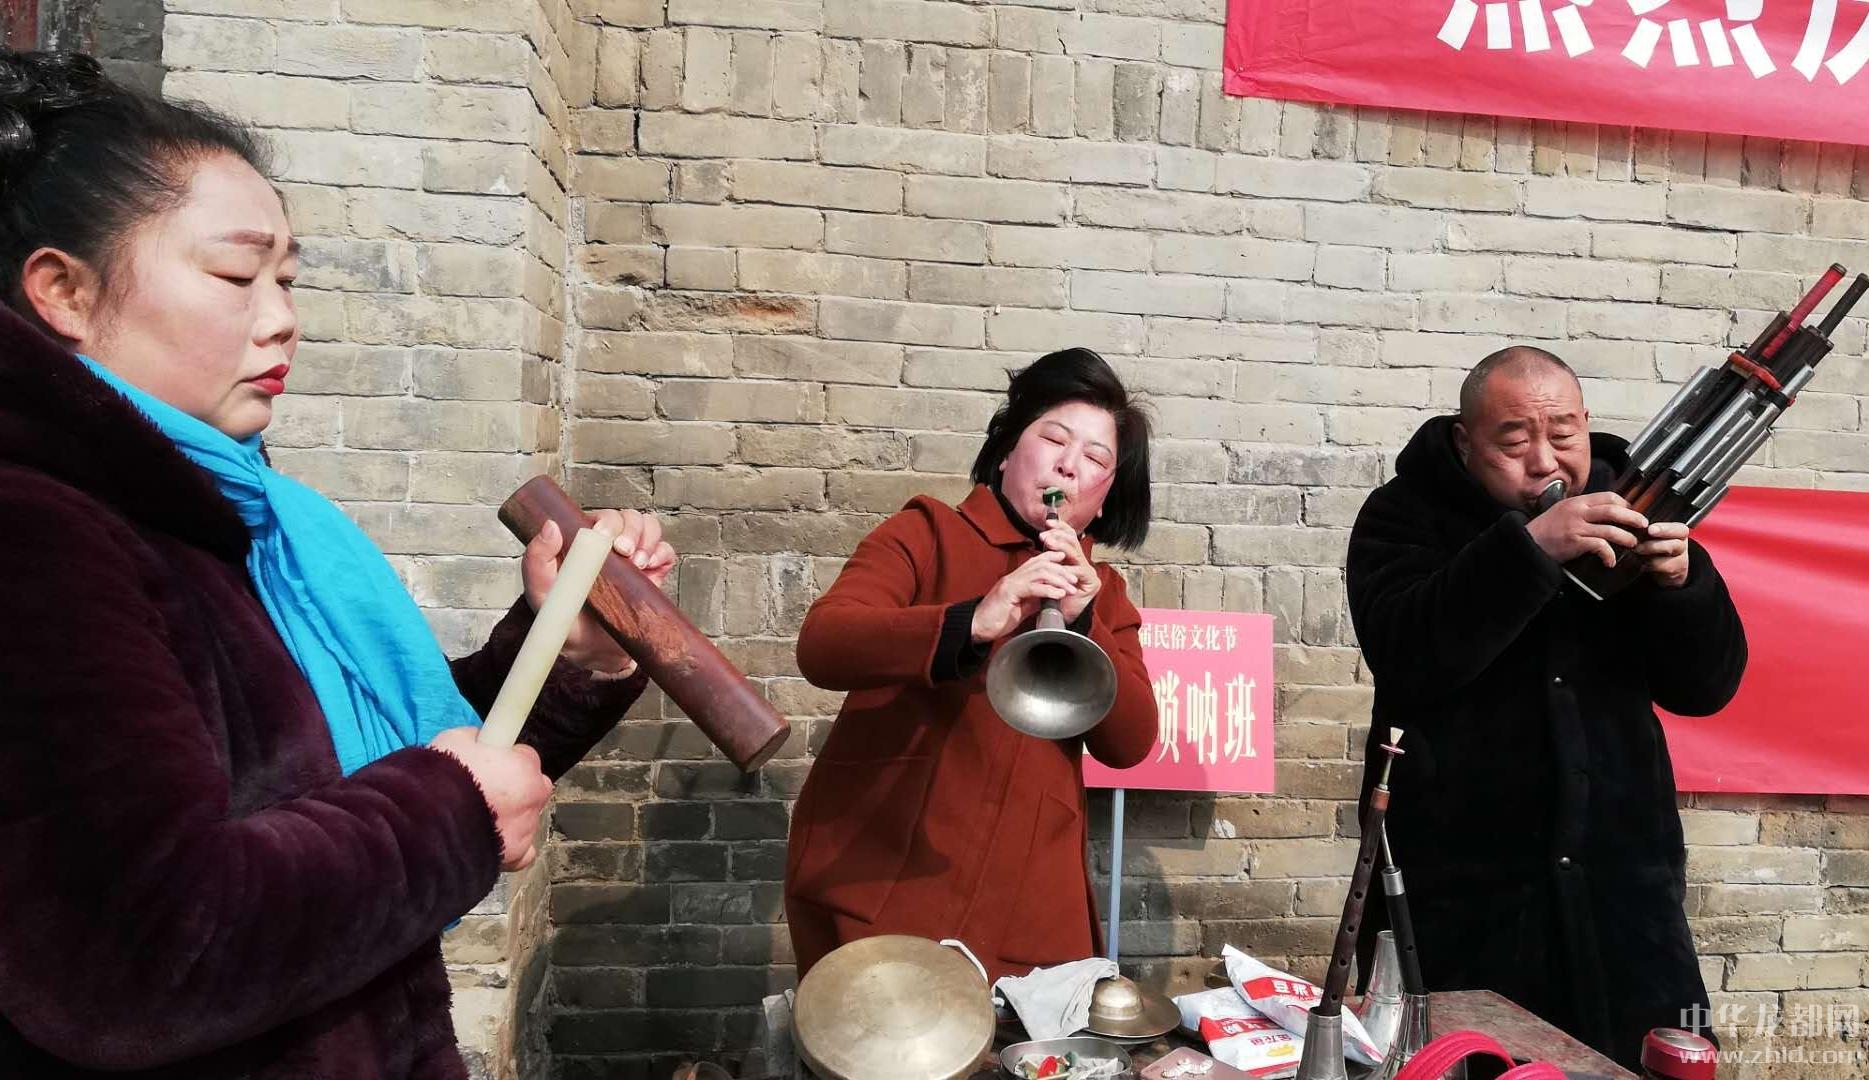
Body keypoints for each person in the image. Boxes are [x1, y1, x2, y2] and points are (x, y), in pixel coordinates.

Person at [0, 51, 675, 1077]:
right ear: (64, 291)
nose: (281, 317)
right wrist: (449, 815)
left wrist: (566, 653)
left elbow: (358, 773)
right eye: (236, 276)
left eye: (286, 279)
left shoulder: (240, 520)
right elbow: (140, 949)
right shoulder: (36, 536)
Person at [1347, 345, 1747, 1067]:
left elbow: (1706, 688)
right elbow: (1407, 656)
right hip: (1457, 897)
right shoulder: (1402, 515)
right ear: (1465, 443)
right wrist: (1527, 550)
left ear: (1585, 424)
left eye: (1563, 434)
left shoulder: (1634, 507)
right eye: (1513, 442)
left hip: (1624, 896)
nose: (1543, 461)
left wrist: (1683, 585)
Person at [784, 348, 1160, 983]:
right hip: (882, 885)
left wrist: (1084, 621)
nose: (1069, 465)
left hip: (1030, 912)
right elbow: (823, 644)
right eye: (1054, 439)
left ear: (1104, 498)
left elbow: (1131, 744)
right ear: (1007, 452)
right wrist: (972, 622)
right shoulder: (926, 531)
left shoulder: (1107, 596)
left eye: (1096, 459)